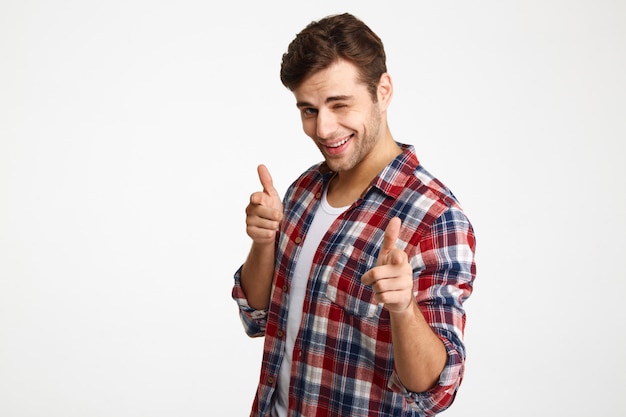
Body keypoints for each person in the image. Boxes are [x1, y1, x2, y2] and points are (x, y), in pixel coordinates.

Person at [232, 12, 476, 417]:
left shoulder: (436, 217)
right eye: (308, 110)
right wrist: (262, 242)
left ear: (383, 91)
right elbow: (257, 316)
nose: (324, 129)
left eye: (339, 104)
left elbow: (435, 390)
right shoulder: (304, 191)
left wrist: (403, 308)